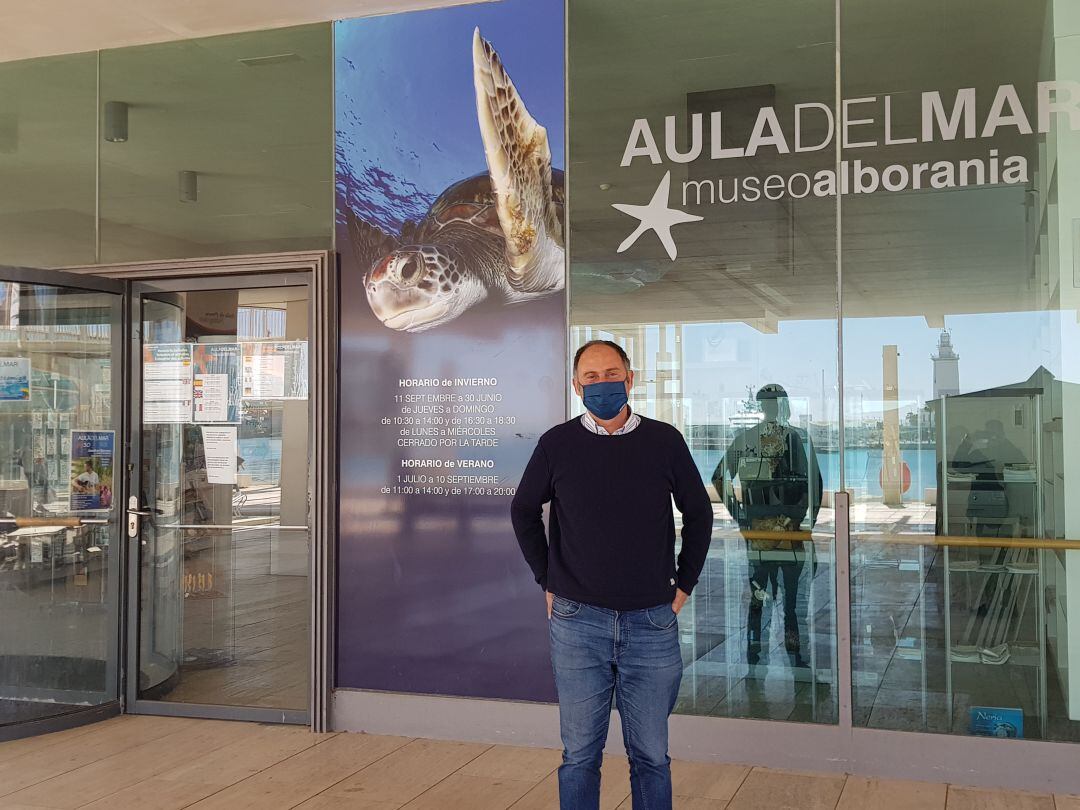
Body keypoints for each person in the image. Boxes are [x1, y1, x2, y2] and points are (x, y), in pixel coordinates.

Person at [511, 340, 713, 810]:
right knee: (580, 755)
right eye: (592, 377)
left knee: (651, 757)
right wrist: (547, 579)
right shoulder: (556, 444)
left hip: (652, 623)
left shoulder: (664, 441)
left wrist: (683, 587)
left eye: (611, 373)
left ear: (630, 378)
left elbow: (699, 514)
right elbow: (523, 509)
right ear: (576, 385)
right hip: (578, 622)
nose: (603, 384)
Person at [711, 384, 822, 667]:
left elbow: (720, 479)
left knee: (762, 598)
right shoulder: (797, 437)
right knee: (790, 602)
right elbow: (815, 487)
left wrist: (741, 517)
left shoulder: (747, 439)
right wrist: (806, 521)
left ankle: (756, 655)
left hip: (762, 531)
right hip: (786, 532)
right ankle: (793, 657)